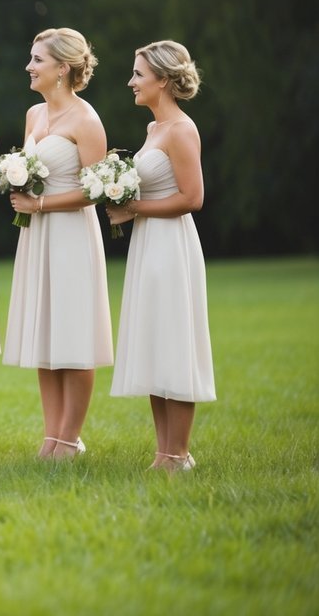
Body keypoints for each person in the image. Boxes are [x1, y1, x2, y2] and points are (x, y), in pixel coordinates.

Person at [3, 27, 112, 459]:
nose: (29, 67)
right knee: (45, 333)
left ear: (62, 68)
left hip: (70, 233)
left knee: (73, 332)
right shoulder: (34, 115)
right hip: (37, 236)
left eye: (37, 60)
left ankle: (70, 437)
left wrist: (41, 203)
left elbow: (98, 188)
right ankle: (51, 436)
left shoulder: (86, 120)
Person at [108, 40, 214, 471]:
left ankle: (180, 454)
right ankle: (162, 453)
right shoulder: (154, 131)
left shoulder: (181, 129)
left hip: (172, 245)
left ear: (164, 80)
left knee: (174, 341)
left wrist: (132, 208)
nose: (131, 81)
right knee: (154, 342)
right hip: (147, 244)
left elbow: (193, 197)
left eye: (138, 74)